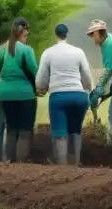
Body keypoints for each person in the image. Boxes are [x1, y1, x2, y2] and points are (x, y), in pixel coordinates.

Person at [36, 23, 93, 165]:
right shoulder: (78, 52)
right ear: (67, 34)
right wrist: (88, 88)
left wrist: (42, 88)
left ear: (56, 35)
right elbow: (86, 74)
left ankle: (62, 167)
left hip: (59, 98)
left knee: (60, 131)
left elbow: (41, 79)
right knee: (75, 130)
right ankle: (75, 164)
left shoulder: (48, 53)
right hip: (79, 97)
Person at [0, 17, 38, 162]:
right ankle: (22, 162)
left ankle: (9, 162)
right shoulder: (27, 50)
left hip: (5, 94)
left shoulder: (0, 51)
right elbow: (35, 72)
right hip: (25, 95)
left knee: (11, 129)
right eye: (25, 35)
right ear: (21, 33)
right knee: (24, 131)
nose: (26, 38)